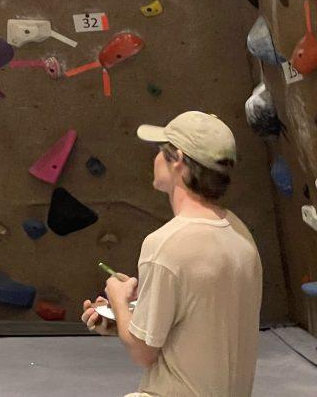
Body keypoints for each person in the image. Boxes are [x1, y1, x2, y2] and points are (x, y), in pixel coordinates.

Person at [80, 111, 262, 397]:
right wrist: (136, 308)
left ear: (177, 159)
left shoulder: (166, 244)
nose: (153, 159)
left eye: (158, 151)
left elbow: (142, 353)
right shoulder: (239, 234)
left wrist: (117, 298)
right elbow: (203, 314)